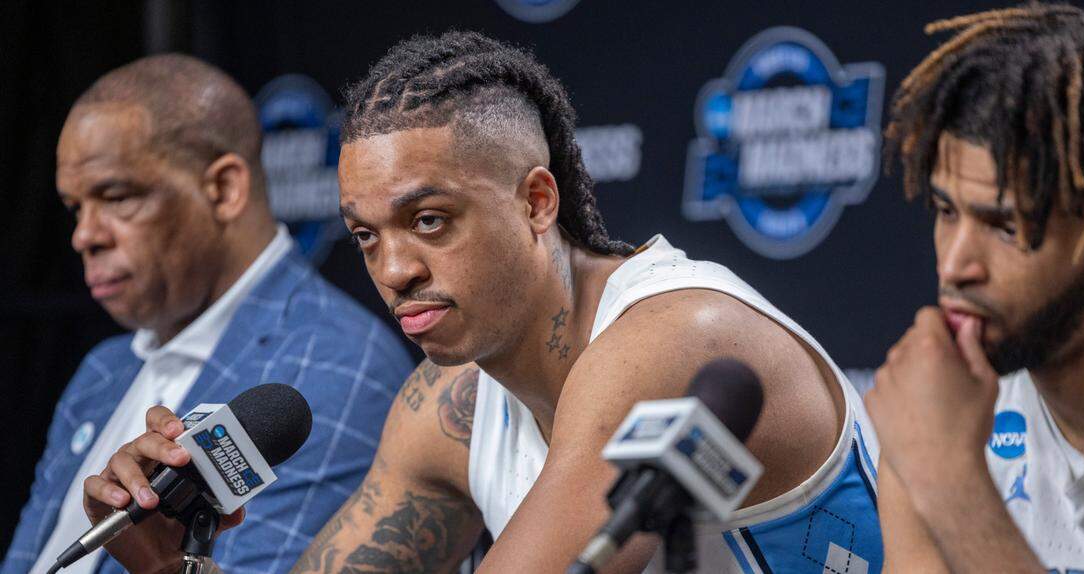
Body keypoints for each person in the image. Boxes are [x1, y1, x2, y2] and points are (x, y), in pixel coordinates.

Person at [84, 33, 883, 573]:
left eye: (429, 221)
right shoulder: (447, 406)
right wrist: (177, 562)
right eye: (365, 236)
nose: (393, 269)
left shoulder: (675, 335)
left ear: (538, 201)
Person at [1, 54, 413, 574]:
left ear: (223, 189)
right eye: (76, 208)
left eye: (116, 195)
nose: (84, 235)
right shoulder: (103, 369)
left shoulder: (333, 364)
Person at [866, 4, 1084, 572]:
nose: (956, 266)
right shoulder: (935, 407)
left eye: (1006, 226)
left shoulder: (938, 447)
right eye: (945, 211)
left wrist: (949, 481)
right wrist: (931, 462)